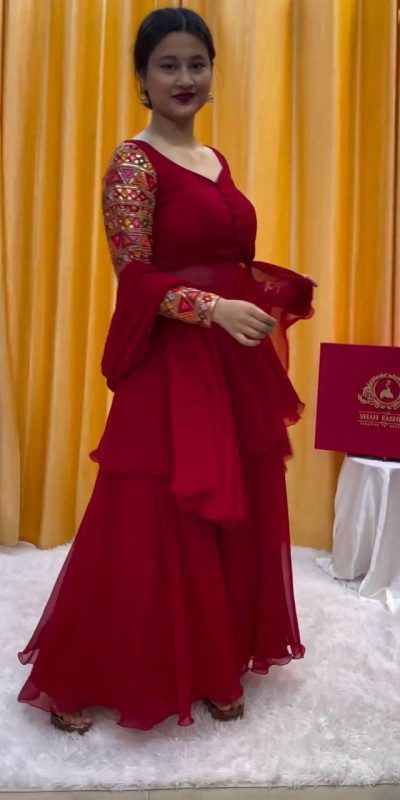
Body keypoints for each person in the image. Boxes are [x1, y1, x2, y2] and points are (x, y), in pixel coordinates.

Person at [17, 7, 315, 735]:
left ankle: (216, 659)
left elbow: (226, 256)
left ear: (213, 72)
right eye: (168, 65)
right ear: (143, 79)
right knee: (148, 511)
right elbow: (135, 272)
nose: (185, 78)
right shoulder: (133, 162)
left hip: (229, 364)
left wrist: (261, 296)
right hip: (172, 359)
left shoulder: (215, 160)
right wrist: (212, 308)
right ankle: (86, 670)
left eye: (196, 64)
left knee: (233, 499)